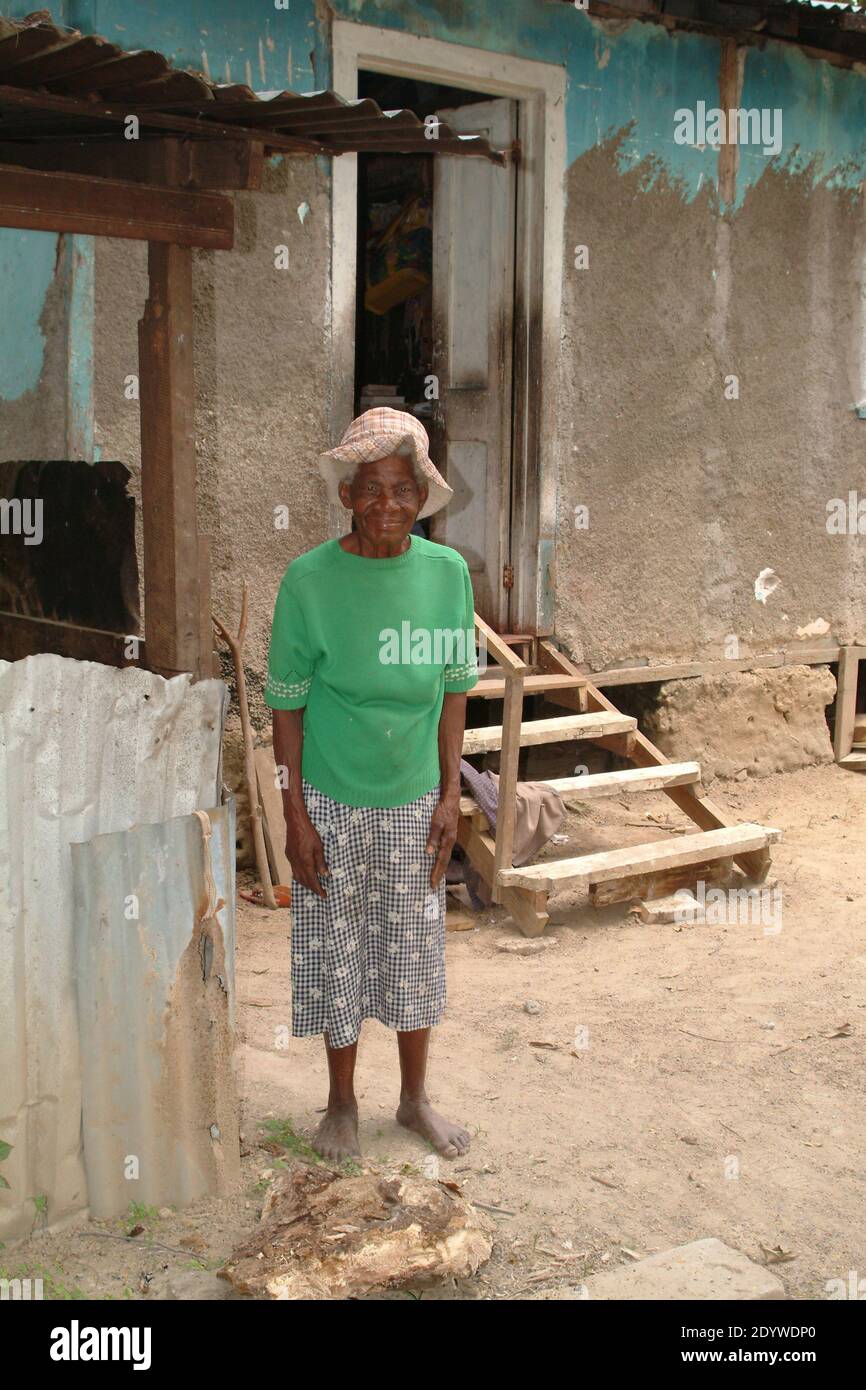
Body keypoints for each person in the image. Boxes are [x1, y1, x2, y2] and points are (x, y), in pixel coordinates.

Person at [266, 408, 479, 1161]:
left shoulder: (447, 576)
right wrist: (294, 814)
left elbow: (454, 691)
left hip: (414, 795)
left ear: (421, 497)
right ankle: (341, 1104)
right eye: (370, 488)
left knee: (415, 948)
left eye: (401, 488)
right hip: (329, 794)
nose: (386, 504)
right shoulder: (309, 581)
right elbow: (286, 708)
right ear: (347, 495)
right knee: (337, 947)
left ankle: (415, 1100)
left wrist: (451, 793)